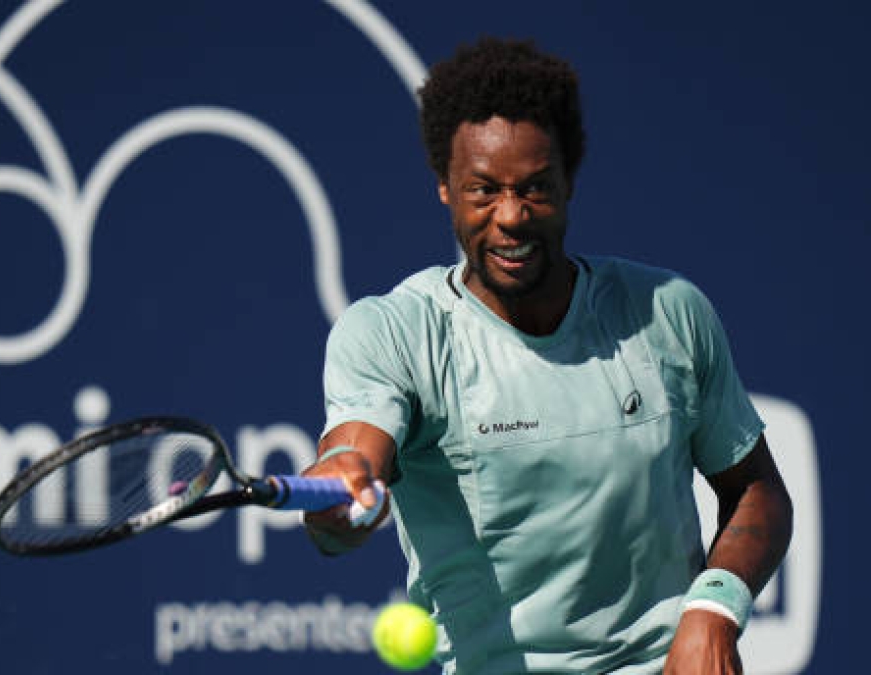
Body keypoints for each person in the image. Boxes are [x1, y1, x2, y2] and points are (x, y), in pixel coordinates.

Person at [302, 38, 793, 674]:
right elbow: (354, 458)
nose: (510, 216)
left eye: (534, 188)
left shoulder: (669, 311)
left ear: (568, 182)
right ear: (445, 187)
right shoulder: (392, 332)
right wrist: (341, 498)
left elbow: (756, 489)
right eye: (483, 190)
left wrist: (714, 610)